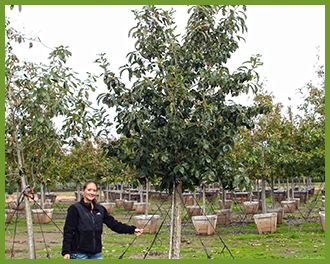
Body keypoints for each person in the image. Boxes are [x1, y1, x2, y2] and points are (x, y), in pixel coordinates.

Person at [62, 180, 143, 259]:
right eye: (89, 190)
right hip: (79, 253)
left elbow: (114, 224)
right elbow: (68, 230)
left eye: (94, 190)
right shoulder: (75, 208)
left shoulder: (100, 209)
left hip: (96, 253)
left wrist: (132, 230)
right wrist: (66, 251)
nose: (91, 193)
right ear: (83, 191)